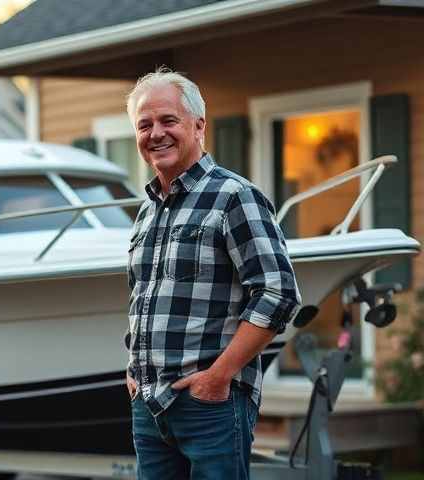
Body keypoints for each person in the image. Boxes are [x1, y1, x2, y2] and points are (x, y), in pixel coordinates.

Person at [124, 67, 301, 479]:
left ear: (199, 126)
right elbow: (144, 296)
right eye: (144, 124)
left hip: (210, 405)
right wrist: (132, 369)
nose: (156, 133)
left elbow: (278, 293)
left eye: (169, 120)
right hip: (149, 406)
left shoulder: (234, 196)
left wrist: (218, 378)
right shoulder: (148, 209)